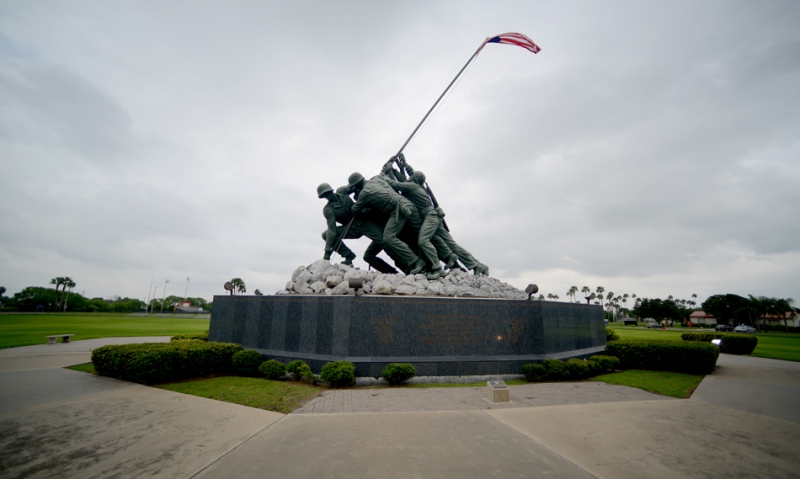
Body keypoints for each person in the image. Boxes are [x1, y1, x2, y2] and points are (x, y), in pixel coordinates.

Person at [348, 172, 427, 275]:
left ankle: (416, 261)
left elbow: (354, 210)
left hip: (398, 210)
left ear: (356, 185)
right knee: (370, 254)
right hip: (403, 206)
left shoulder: (365, 193)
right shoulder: (377, 178)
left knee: (389, 238)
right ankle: (394, 273)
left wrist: (349, 193)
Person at [317, 182, 397, 273]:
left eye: (327, 193)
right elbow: (332, 230)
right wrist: (327, 252)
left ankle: (405, 265)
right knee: (326, 234)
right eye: (324, 196)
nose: (327, 196)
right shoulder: (328, 209)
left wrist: (359, 198)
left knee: (385, 241)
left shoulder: (342, 192)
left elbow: (355, 184)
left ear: (331, 190)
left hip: (364, 222)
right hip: (350, 229)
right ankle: (348, 255)